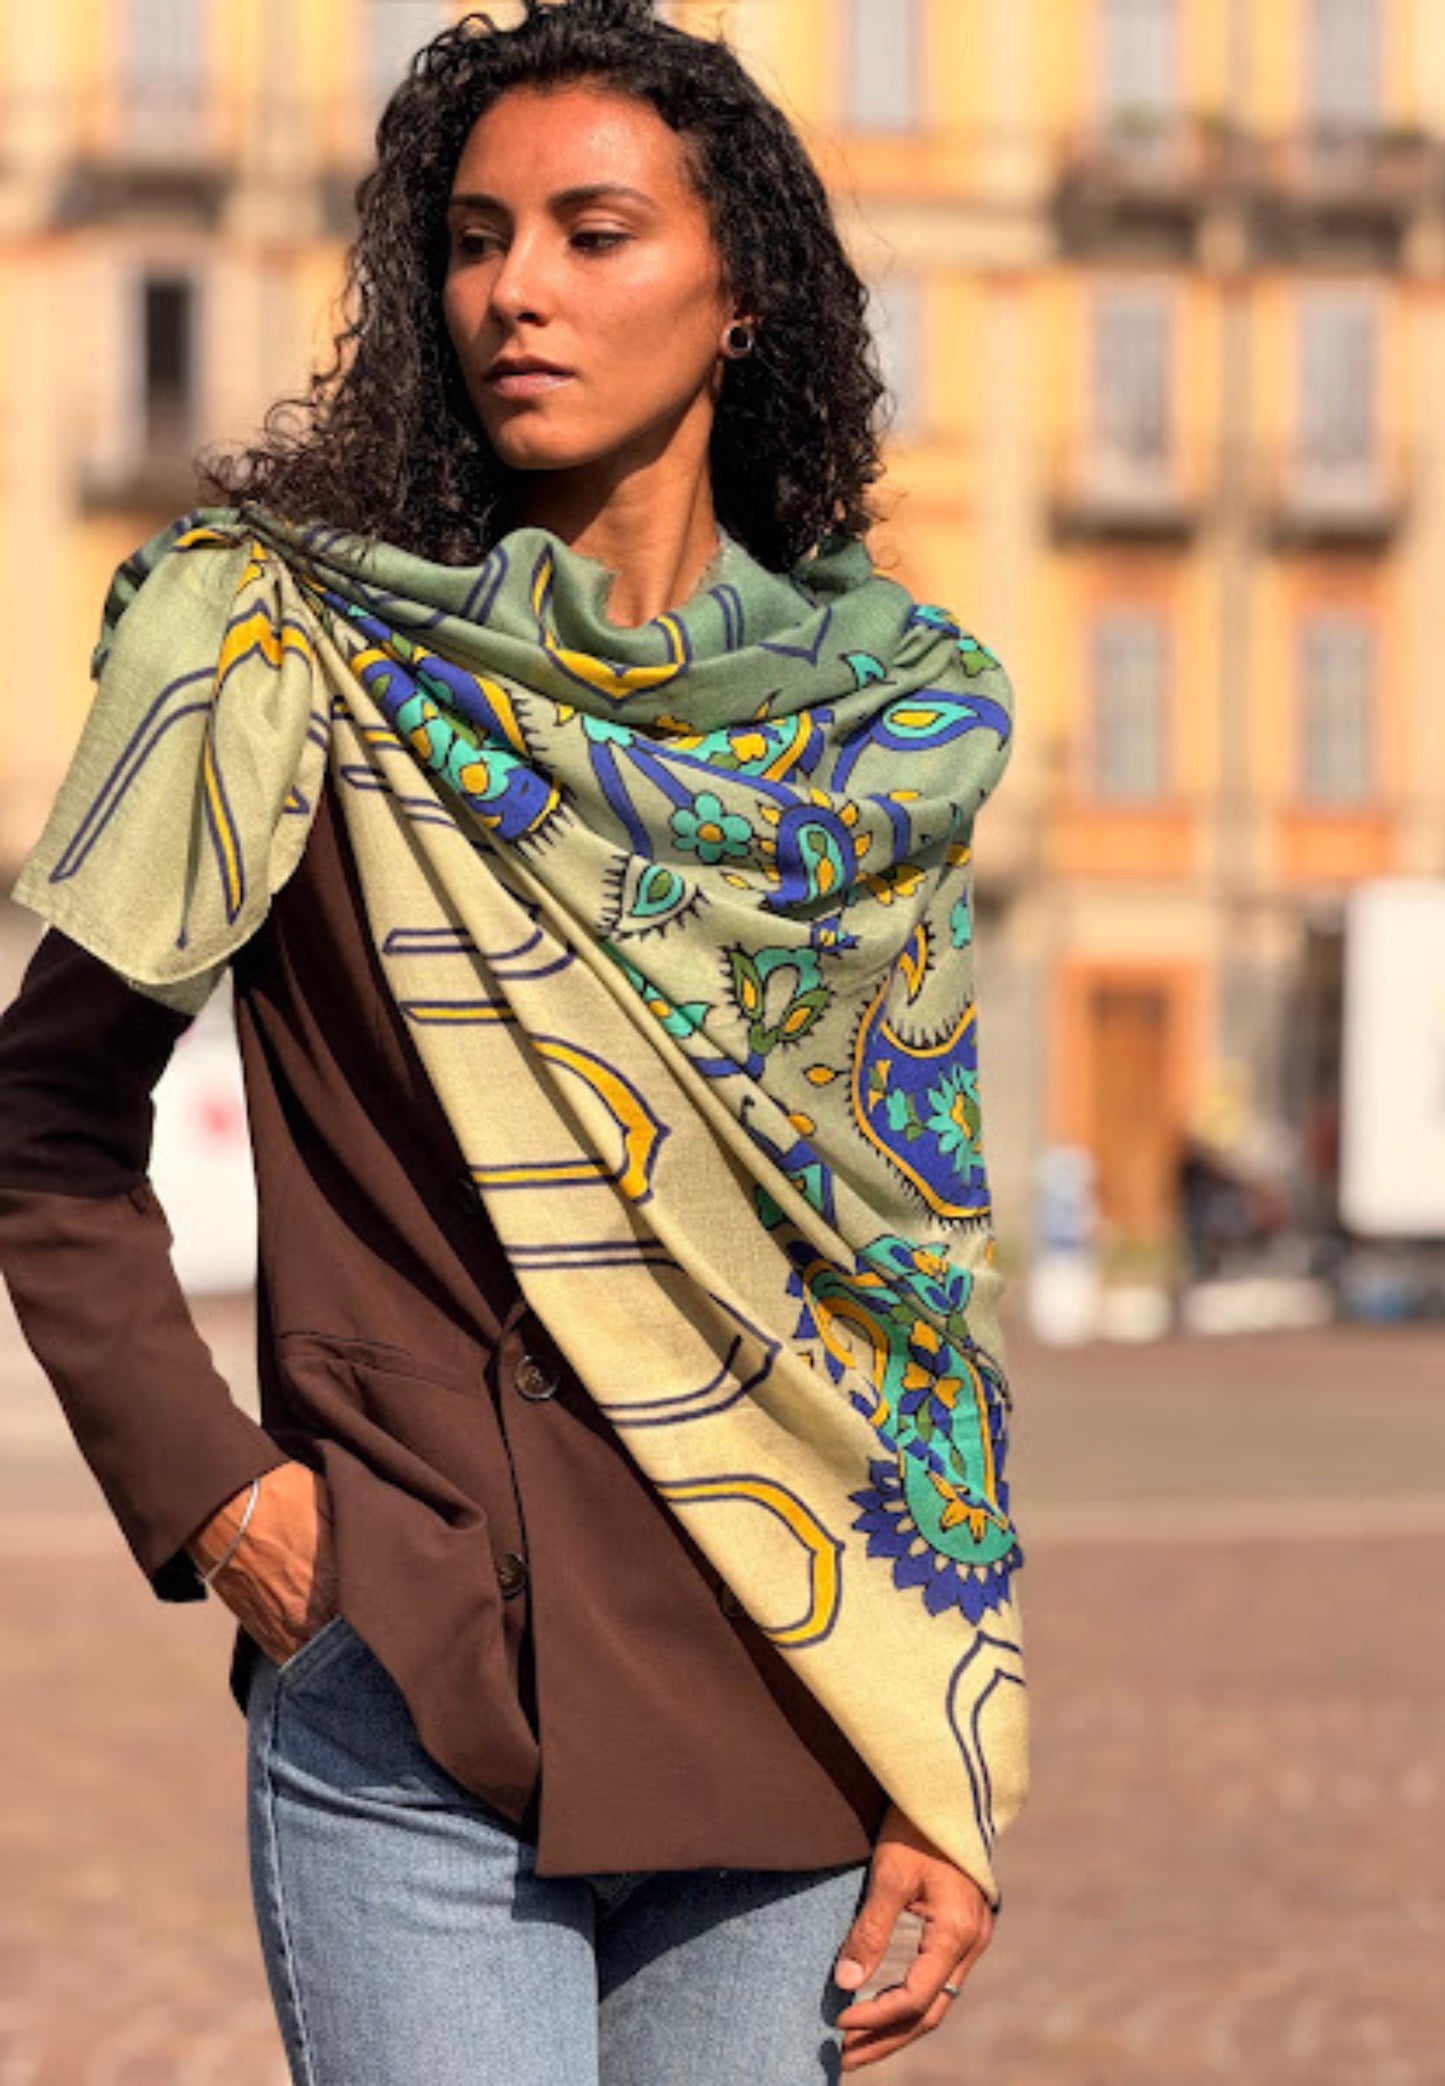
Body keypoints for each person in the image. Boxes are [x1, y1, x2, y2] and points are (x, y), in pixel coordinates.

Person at [0, 2, 1028, 2078]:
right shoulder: (286, 646)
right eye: (473, 238)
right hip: (419, 1693)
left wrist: (949, 1751)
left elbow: (909, 1278)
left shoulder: (864, 734)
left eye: (591, 230)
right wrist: (230, 1502)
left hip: (787, 1714)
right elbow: (42, 1120)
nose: (516, 291)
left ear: (739, 292)